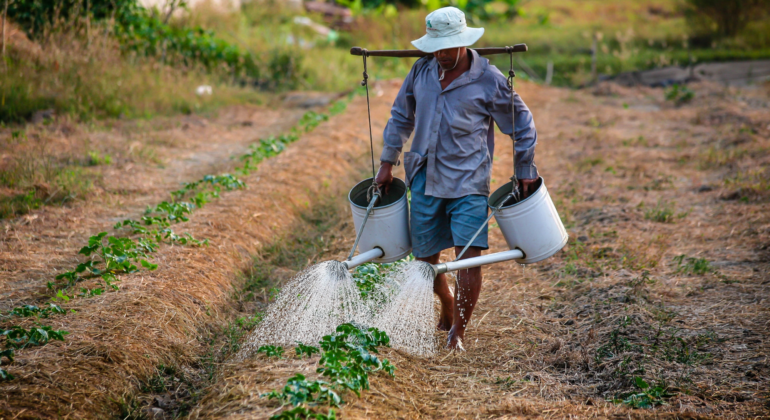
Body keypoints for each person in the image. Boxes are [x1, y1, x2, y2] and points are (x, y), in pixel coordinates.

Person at [375, 6, 538, 350]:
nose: (442, 55)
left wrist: (524, 169)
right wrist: (387, 162)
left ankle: (457, 334)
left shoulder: (489, 80)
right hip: (424, 177)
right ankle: (447, 302)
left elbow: (522, 124)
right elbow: (400, 116)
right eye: (436, 48)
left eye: (448, 48)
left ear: (464, 43)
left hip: (469, 182)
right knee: (425, 262)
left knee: (469, 258)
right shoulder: (421, 71)